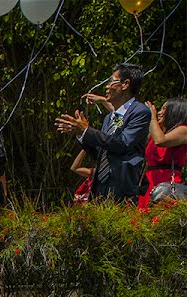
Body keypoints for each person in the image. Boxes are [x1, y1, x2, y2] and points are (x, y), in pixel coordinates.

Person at [56, 63, 151, 202]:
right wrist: (81, 134)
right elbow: (101, 152)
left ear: (125, 84)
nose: (106, 86)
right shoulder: (109, 117)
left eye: (111, 82)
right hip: (100, 187)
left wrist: (87, 131)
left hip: (122, 187)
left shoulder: (140, 112)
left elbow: (123, 144)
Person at [139, 97, 187, 208]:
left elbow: (160, 141)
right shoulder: (158, 130)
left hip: (167, 182)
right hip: (149, 181)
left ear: (175, 111)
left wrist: (152, 118)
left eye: (164, 109)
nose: (159, 113)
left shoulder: (183, 130)